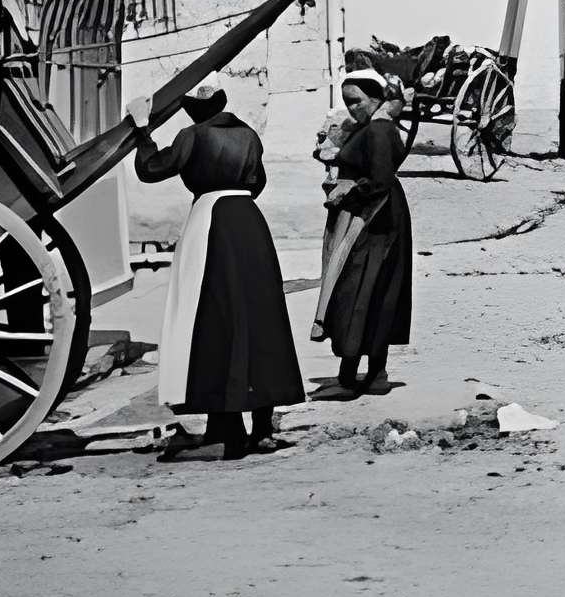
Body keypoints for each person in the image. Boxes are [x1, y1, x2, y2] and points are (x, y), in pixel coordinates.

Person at [130, 82, 305, 461]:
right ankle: (262, 428)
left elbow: (152, 169)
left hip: (210, 223)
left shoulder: (192, 135)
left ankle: (229, 430)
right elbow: (258, 182)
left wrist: (142, 131)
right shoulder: (249, 134)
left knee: (214, 321)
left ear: (191, 110)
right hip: (250, 223)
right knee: (262, 320)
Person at [311, 69, 412, 394]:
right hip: (369, 214)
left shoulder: (379, 130)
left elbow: (379, 180)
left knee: (363, 289)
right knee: (368, 290)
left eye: (357, 101)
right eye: (347, 102)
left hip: (375, 219)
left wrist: (348, 194)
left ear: (376, 98)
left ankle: (365, 372)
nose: (352, 108)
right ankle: (360, 370)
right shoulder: (370, 127)